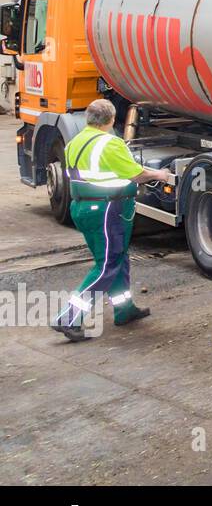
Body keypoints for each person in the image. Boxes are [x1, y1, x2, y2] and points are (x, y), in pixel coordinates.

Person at [51, 99, 172, 342]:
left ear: (88, 118)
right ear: (110, 119)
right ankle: (68, 317)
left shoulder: (75, 142)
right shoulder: (109, 143)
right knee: (107, 265)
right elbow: (136, 174)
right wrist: (161, 174)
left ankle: (124, 309)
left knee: (116, 259)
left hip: (82, 208)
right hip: (107, 209)